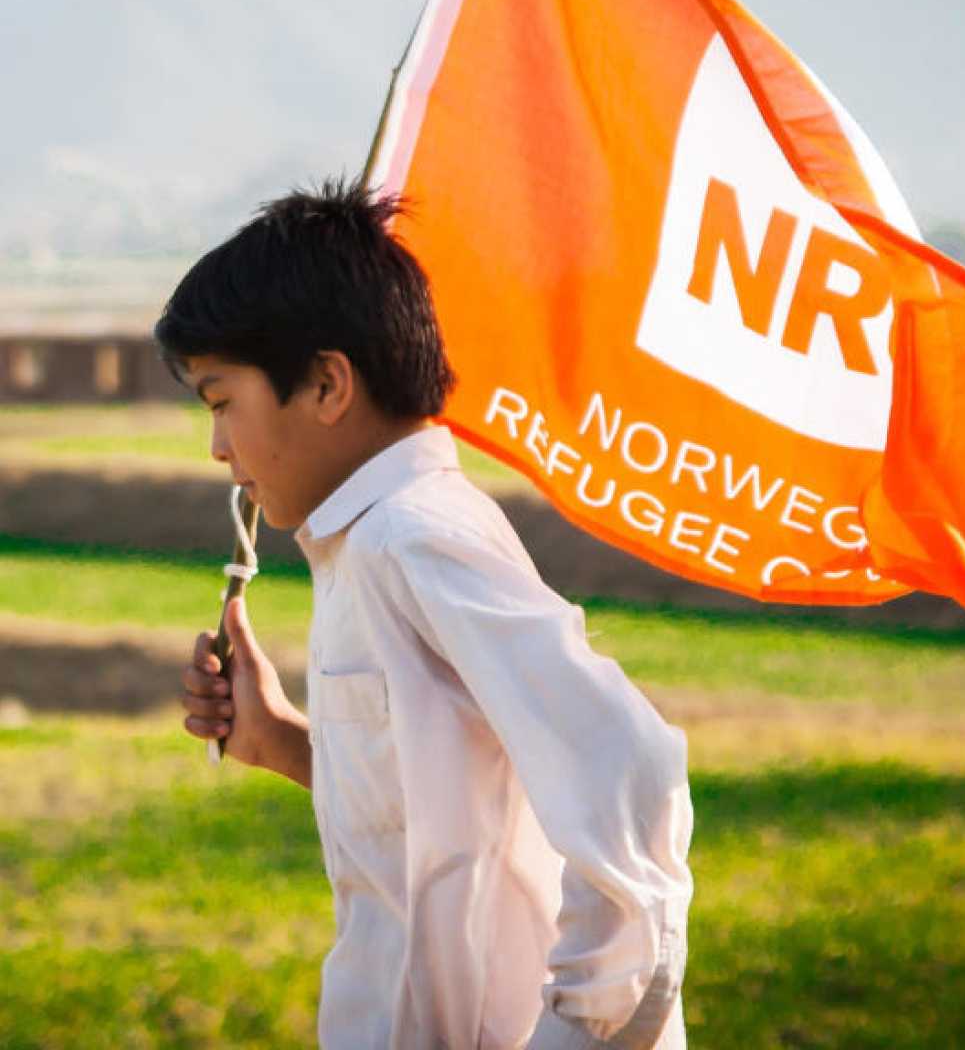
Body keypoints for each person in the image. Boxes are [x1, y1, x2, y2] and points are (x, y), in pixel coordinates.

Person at [159, 179, 693, 1049]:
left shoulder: (416, 540)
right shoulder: (365, 545)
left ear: (328, 384)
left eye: (223, 403)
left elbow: (628, 768)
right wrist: (288, 743)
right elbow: (453, 802)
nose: (218, 446)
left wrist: (574, 1032)